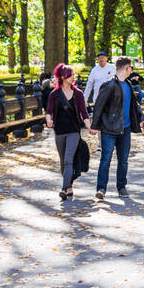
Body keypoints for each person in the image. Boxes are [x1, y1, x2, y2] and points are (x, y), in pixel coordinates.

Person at [90, 56, 144, 200]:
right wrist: (94, 126)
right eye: (131, 68)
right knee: (106, 159)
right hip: (109, 129)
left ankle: (122, 187)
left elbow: (134, 105)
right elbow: (99, 106)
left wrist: (142, 117)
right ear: (127, 68)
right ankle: (101, 188)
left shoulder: (128, 84)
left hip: (125, 129)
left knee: (124, 160)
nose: (132, 70)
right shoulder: (109, 85)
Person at [46, 64, 91, 201]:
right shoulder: (54, 95)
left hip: (73, 131)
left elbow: (84, 114)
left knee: (68, 159)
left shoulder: (78, 94)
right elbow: (49, 112)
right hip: (59, 131)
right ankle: (69, 188)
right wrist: (49, 120)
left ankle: (63, 189)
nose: (73, 77)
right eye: (70, 75)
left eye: (73, 75)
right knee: (63, 161)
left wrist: (89, 127)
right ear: (62, 77)